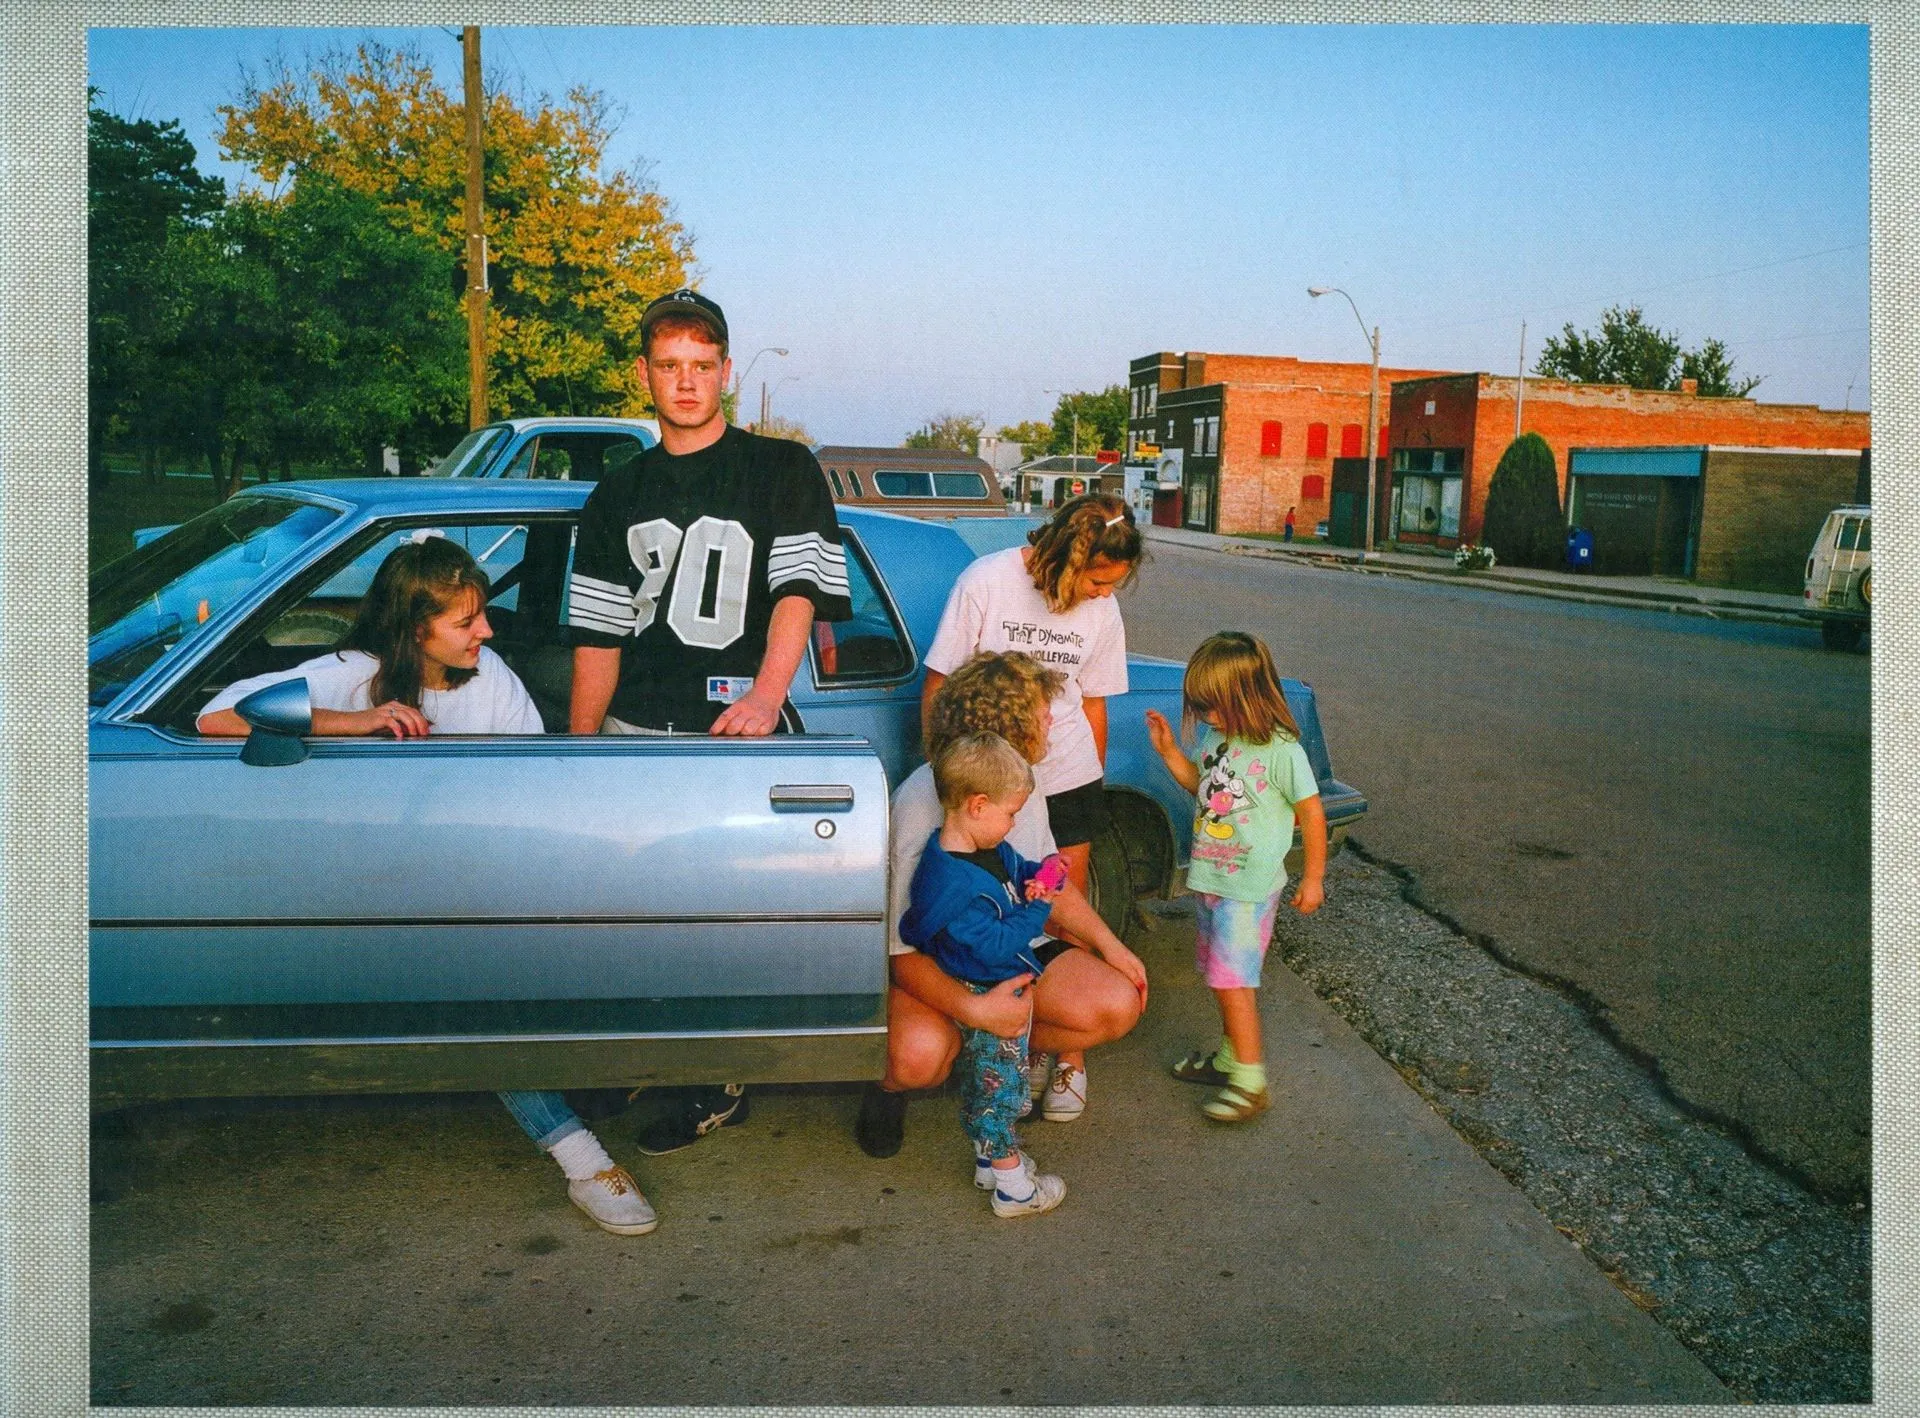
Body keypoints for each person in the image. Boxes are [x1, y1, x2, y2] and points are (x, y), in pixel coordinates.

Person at [198, 538, 659, 1236]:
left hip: (480, 880)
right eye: (466, 621)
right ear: (417, 629)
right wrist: (355, 724)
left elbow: (535, 780)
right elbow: (218, 716)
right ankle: (582, 1160)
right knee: (474, 988)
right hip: (368, 893)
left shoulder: (491, 674)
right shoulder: (350, 673)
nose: (487, 631)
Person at [565, 287, 853, 1154]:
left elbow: (797, 595)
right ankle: (650, 1052)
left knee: (717, 914)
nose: (685, 383)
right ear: (644, 376)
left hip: (731, 732)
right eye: (668, 367)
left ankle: (718, 1076)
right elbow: (598, 636)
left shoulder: (780, 470)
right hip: (635, 731)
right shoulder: (618, 493)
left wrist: (767, 697)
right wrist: (578, 752)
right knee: (630, 912)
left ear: (725, 371)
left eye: (701, 366)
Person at [856, 651, 1148, 1159]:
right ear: (1008, 720)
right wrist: (974, 1008)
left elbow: (1047, 880)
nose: (1052, 720)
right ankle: (891, 1090)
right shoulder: (923, 800)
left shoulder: (1017, 780)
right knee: (918, 1058)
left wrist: (1110, 945)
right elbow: (899, 950)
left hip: (1007, 948)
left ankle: (992, 1055)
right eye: (1042, 710)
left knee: (1120, 1002)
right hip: (938, 964)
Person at [919, 493, 1144, 1120]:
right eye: (1098, 579)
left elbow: (1093, 700)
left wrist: (1088, 779)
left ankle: (1068, 1057)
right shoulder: (987, 581)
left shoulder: (1103, 608)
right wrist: (943, 770)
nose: (1104, 594)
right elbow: (939, 682)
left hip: (1064, 769)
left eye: (1115, 583)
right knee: (1000, 903)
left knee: (1060, 897)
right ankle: (1009, 1036)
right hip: (988, 767)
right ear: (1068, 559)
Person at [1144, 631, 1328, 1123]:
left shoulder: (1280, 750)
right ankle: (1230, 1058)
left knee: (1233, 981)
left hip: (1246, 890)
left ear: (1249, 696)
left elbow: (1312, 813)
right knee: (1220, 976)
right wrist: (1168, 754)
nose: (1206, 716)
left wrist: (1313, 877)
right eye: (1200, 707)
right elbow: (1203, 789)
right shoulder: (1215, 737)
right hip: (1213, 881)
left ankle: (1250, 1081)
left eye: (1214, 706)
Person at [899, 733, 1068, 1217]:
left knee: (984, 1080)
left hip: (994, 983)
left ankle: (987, 1163)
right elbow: (996, 941)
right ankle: (1013, 1188)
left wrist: (1044, 873)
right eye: (1011, 812)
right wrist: (1042, 908)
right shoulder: (955, 884)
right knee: (1003, 1088)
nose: (1015, 821)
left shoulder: (985, 848)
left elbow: (1018, 869)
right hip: (988, 988)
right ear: (977, 805)